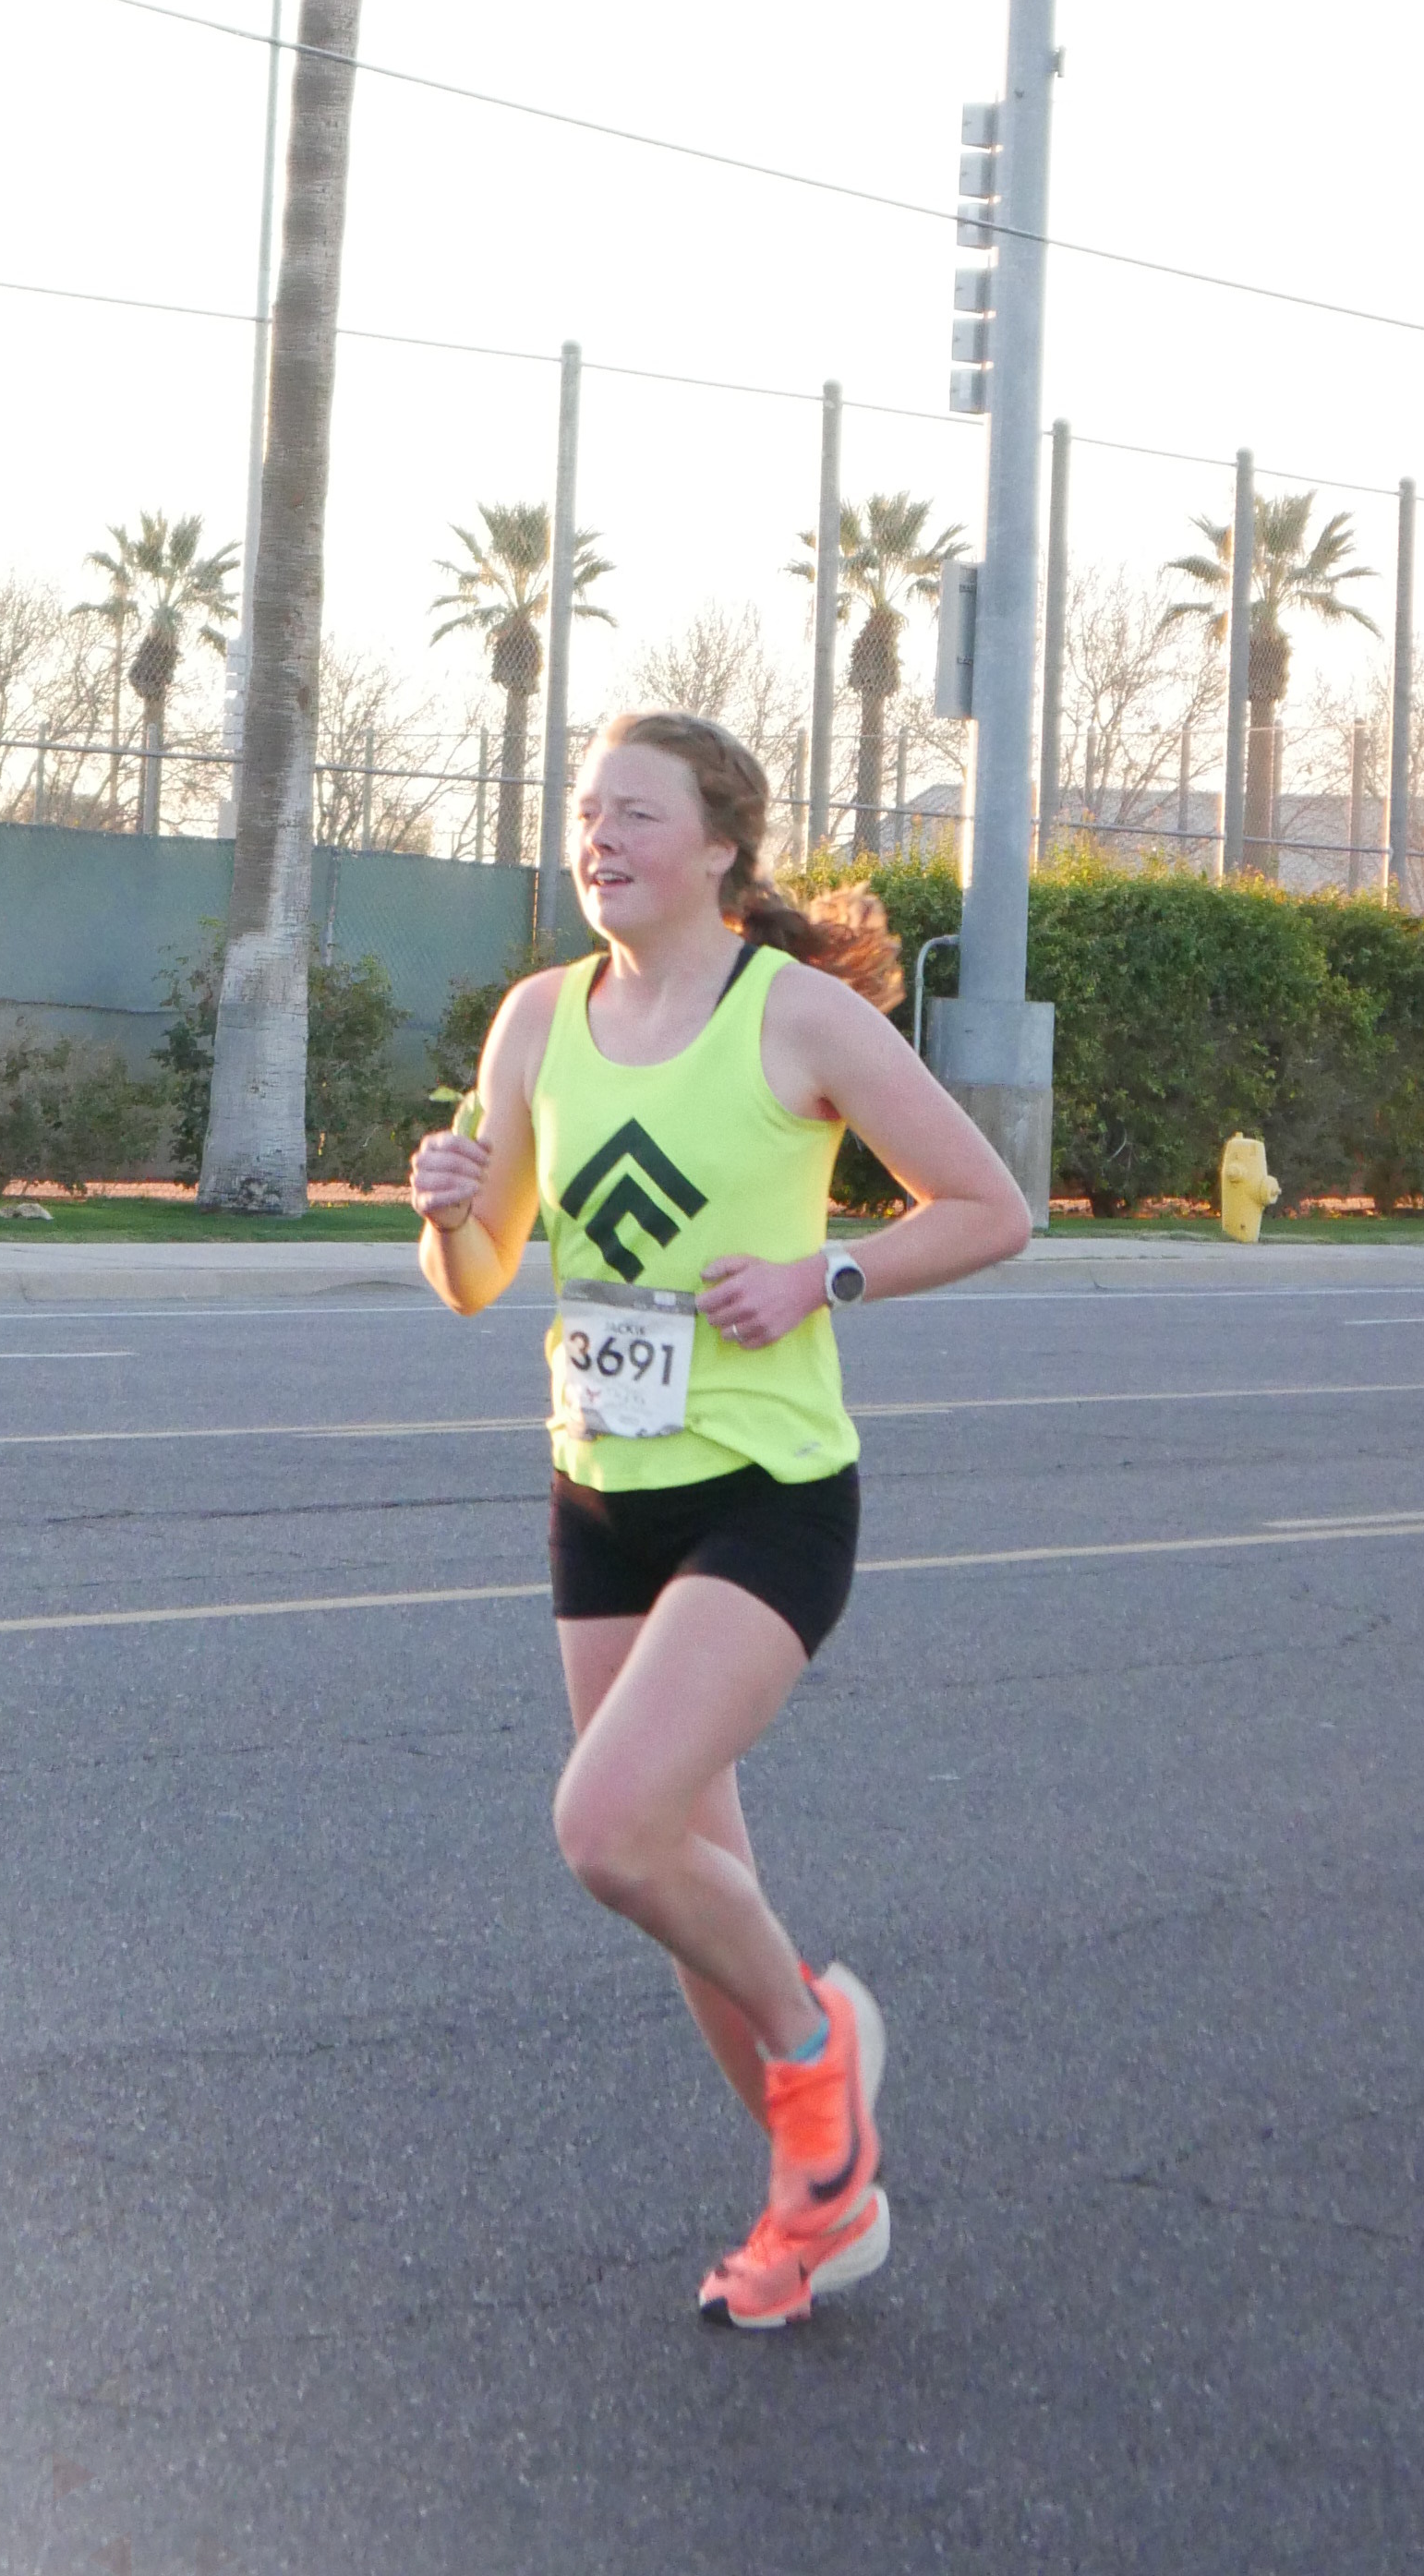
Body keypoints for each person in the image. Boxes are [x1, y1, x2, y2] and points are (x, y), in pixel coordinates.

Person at [408, 709, 1030, 2330]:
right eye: (585, 811)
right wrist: (449, 1215)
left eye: (635, 813)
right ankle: (824, 2203)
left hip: (767, 1495)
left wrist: (825, 1273)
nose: (598, 837)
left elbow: (991, 1209)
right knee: (685, 1876)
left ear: (722, 848)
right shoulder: (538, 1019)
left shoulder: (796, 1014)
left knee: (610, 1830)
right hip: (599, 1494)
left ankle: (822, 2040)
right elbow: (478, 1278)